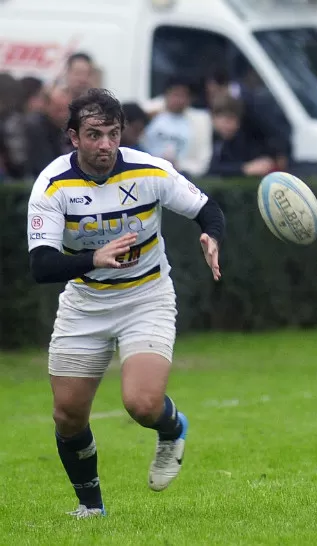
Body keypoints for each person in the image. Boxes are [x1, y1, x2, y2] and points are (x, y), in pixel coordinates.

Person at [26, 88, 225, 518]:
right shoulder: (52, 185)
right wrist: (92, 259)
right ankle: (91, 508)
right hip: (85, 304)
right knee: (67, 416)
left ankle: (173, 429)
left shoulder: (150, 171)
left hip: (146, 297)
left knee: (142, 404)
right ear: (73, 137)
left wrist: (212, 236)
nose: (105, 145)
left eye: (113, 134)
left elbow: (208, 209)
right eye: (94, 134)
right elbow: (41, 266)